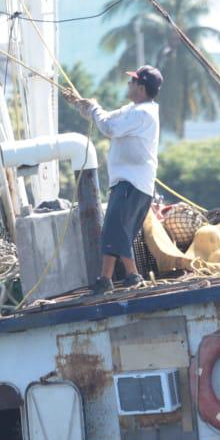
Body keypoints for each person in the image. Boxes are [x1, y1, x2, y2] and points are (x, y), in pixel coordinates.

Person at [66, 64, 163, 292]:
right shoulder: (133, 109)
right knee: (113, 230)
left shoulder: (142, 113)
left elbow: (109, 128)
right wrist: (84, 106)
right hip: (128, 182)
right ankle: (105, 279)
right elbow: (107, 118)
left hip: (132, 183)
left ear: (141, 87)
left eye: (132, 81)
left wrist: (93, 109)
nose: (128, 84)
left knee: (116, 231)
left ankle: (133, 275)